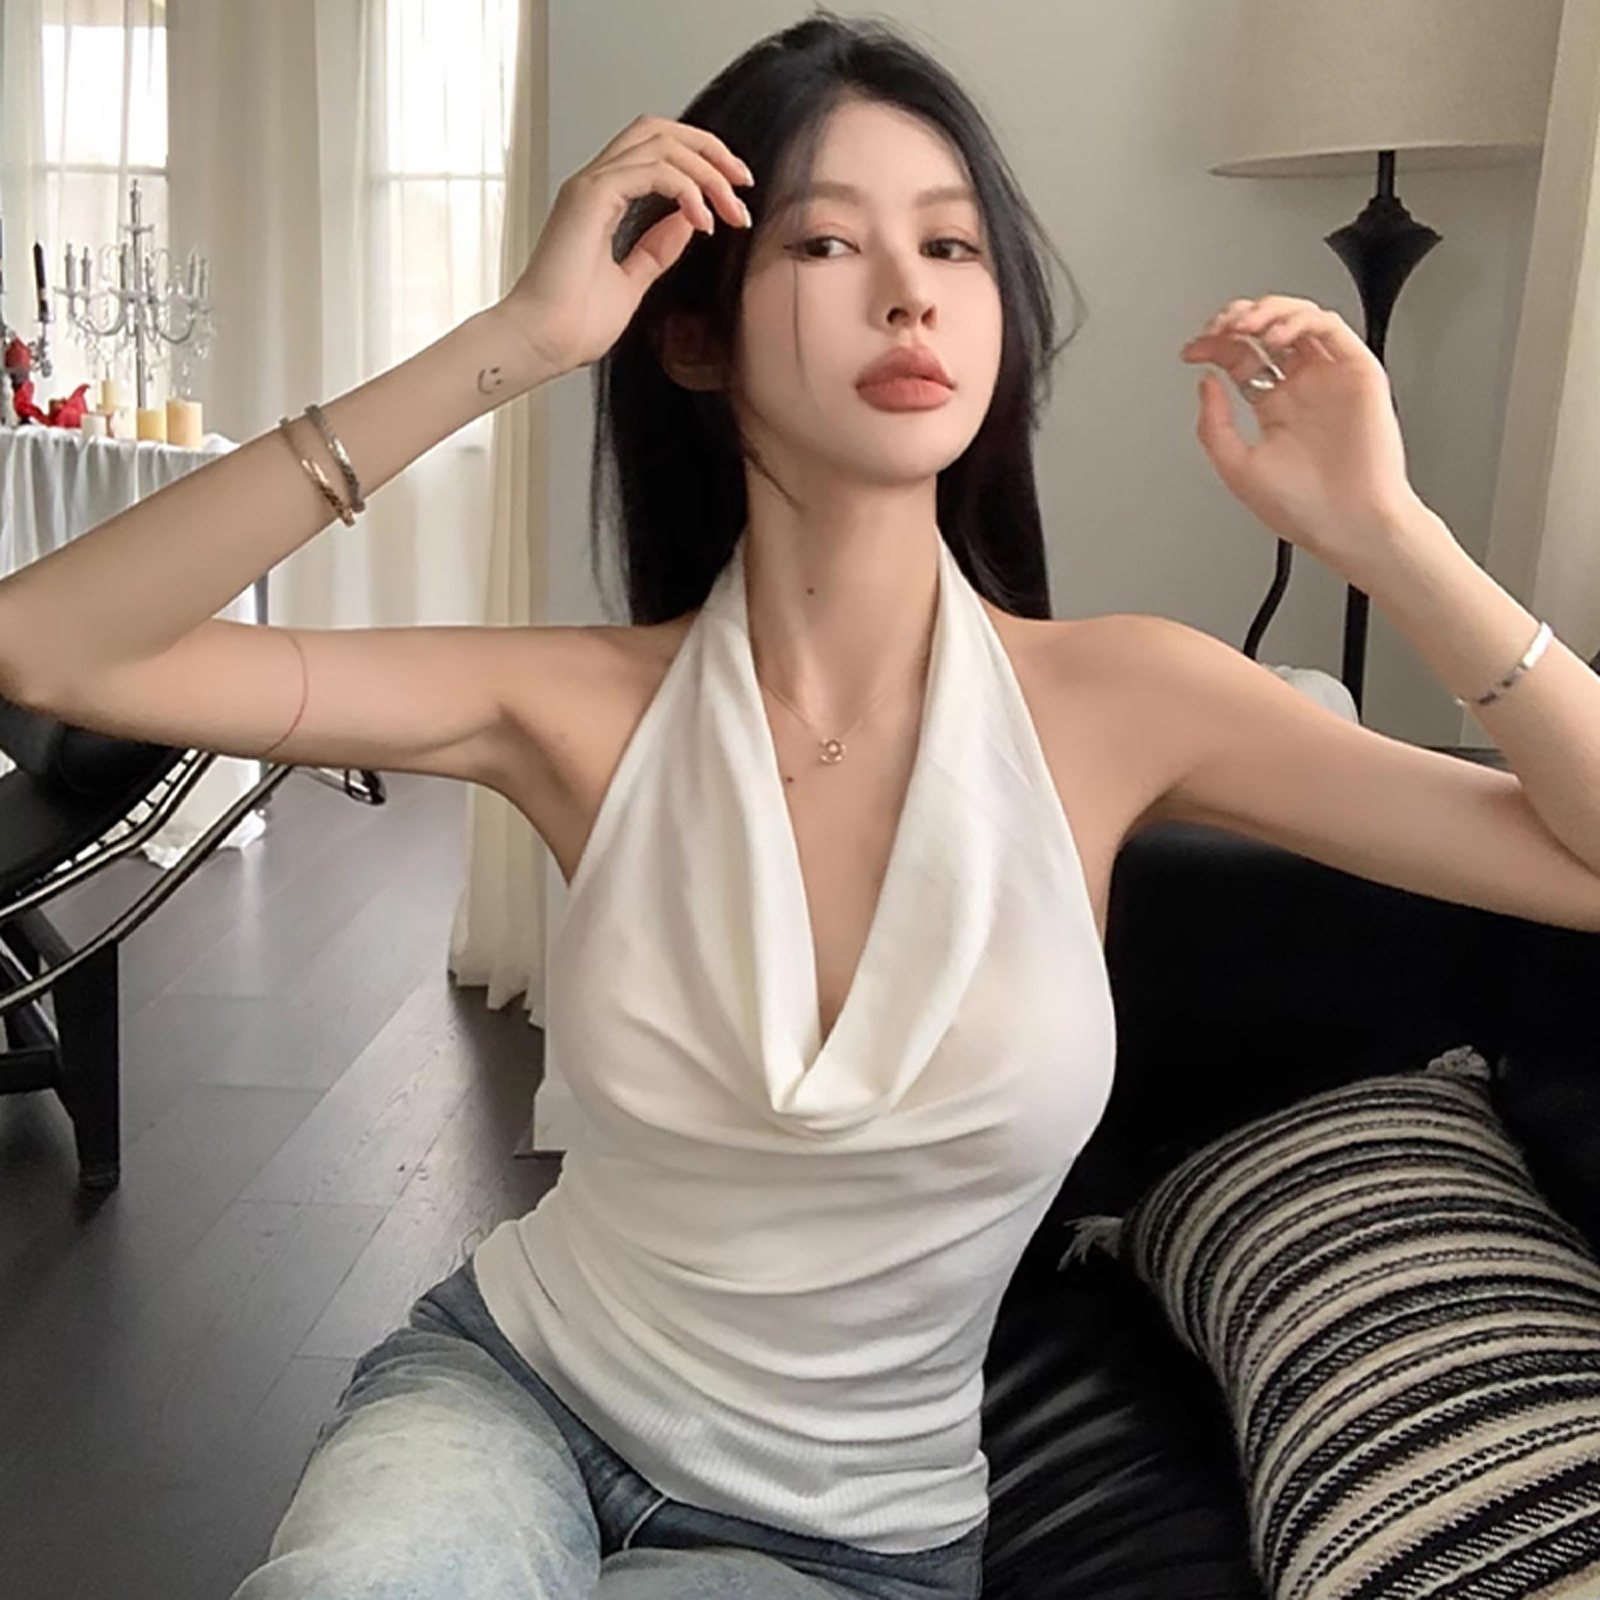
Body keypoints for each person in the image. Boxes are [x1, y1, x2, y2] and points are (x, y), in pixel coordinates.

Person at [0, 8, 1247, 1597]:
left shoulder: (1133, 700)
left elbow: (1549, 856)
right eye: (824, 243)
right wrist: (514, 340)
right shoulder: (577, 705)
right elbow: (51, 644)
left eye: (952, 244)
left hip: (846, 1543)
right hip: (513, 1396)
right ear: (694, 335)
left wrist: (1382, 529)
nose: (909, 290)